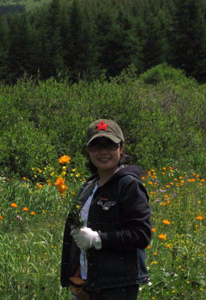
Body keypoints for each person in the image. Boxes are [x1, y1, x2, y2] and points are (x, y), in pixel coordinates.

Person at [60, 119, 152, 300]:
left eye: (109, 145)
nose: (103, 152)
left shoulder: (129, 185)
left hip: (117, 286)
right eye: (96, 146)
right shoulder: (88, 187)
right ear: (88, 151)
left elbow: (141, 234)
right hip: (87, 283)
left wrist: (98, 239)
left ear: (121, 147)